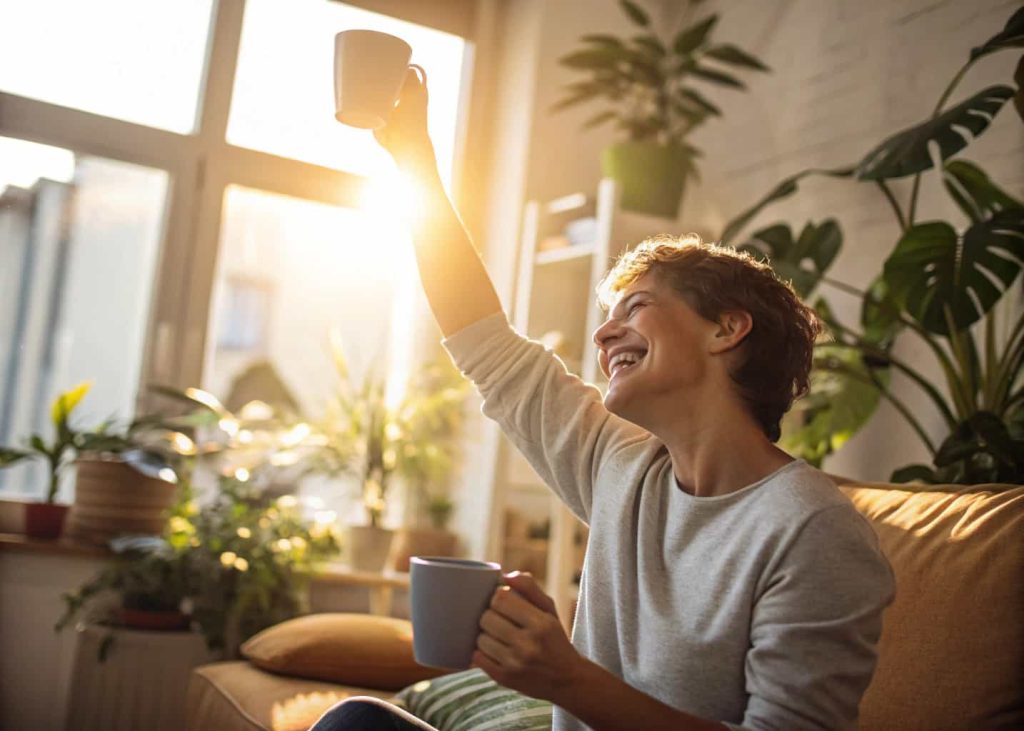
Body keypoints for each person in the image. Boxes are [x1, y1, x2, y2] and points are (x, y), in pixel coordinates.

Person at [313, 69, 895, 731]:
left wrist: (567, 679)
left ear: (727, 328)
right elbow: (483, 339)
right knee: (355, 722)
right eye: (608, 314)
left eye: (636, 307)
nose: (603, 331)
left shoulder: (812, 530)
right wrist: (415, 161)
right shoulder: (622, 464)